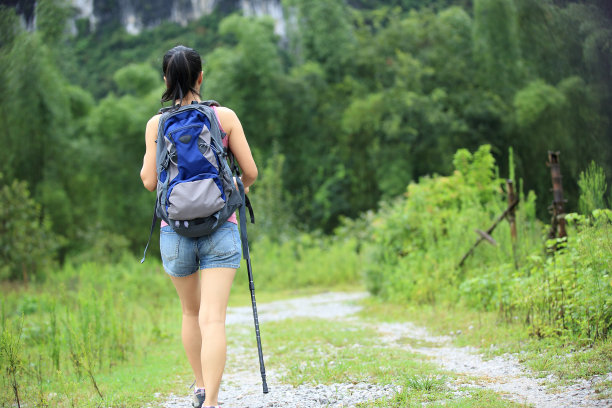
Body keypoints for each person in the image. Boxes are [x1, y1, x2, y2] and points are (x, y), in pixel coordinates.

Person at [140, 45, 258, 408]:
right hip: (221, 228)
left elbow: (148, 181)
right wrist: (238, 189)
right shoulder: (224, 118)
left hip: (174, 231)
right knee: (213, 319)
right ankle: (213, 403)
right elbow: (250, 172)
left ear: (165, 79)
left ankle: (200, 387)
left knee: (190, 313)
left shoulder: (157, 124)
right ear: (200, 77)